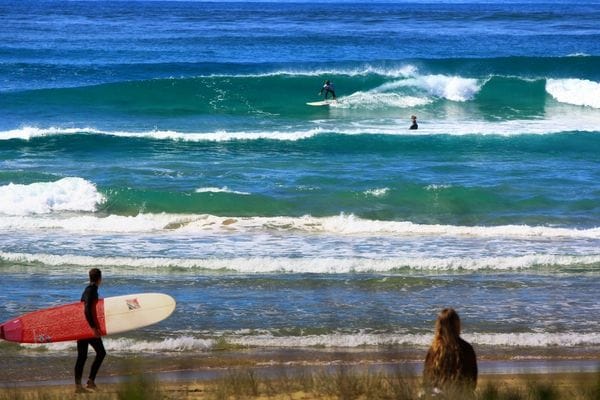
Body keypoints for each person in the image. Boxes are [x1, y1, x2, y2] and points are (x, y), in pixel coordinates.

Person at [423, 308, 477, 397]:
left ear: (439, 326)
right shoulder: (466, 348)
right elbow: (472, 383)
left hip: (437, 396)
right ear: (457, 325)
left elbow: (426, 382)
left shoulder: (433, 350)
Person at [74, 268, 106, 393]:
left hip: (82, 327)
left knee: (82, 357)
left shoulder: (90, 290)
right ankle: (90, 381)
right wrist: (93, 328)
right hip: (87, 329)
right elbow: (87, 309)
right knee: (101, 353)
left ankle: (80, 386)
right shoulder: (91, 290)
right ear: (99, 279)